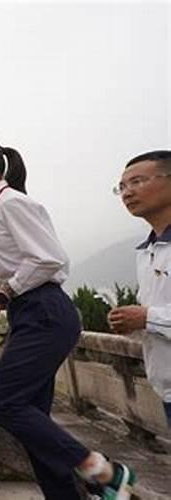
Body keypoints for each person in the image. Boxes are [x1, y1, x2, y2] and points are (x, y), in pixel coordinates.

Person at [0, 135, 136, 500]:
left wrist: (4, 293)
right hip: (30, 312)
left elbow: (50, 259)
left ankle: (102, 471)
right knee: (31, 423)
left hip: (46, 312)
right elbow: (24, 268)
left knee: (2, 402)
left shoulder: (11, 204)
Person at [109, 150, 171, 428]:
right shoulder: (146, 252)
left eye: (137, 182)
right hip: (165, 389)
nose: (127, 192)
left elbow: (153, 316)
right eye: (122, 187)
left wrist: (146, 317)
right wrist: (132, 323)